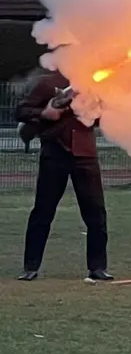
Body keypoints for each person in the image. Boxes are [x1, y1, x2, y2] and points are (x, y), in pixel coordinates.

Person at [16, 69, 112, 281]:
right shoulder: (47, 84)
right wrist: (45, 113)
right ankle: (30, 267)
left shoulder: (94, 84)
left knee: (96, 214)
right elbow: (21, 111)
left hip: (85, 154)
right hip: (54, 153)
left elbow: (101, 118)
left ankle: (98, 267)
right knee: (43, 212)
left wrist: (89, 108)